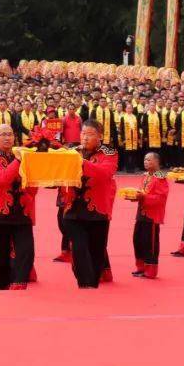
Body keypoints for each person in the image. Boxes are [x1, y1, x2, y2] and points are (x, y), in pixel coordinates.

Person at [60, 120, 117, 289]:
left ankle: (92, 283)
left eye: (90, 134)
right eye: (83, 133)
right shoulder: (73, 152)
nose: (85, 137)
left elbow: (104, 173)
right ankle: (84, 283)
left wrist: (80, 162)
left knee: (97, 249)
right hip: (73, 208)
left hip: (97, 209)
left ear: (100, 136)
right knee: (79, 246)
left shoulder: (109, 153)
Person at [0, 123, 36, 290]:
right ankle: (0, 288)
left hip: (22, 211)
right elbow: (3, 178)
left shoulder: (24, 155)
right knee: (0, 256)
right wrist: (19, 160)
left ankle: (19, 284)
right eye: (3, 134)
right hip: (0, 213)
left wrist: (31, 194)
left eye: (10, 134)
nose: (7, 138)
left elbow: (33, 181)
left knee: (27, 252)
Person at [130, 152, 169, 278]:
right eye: (145, 160)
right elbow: (143, 192)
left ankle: (151, 270)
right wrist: (136, 196)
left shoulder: (160, 178)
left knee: (150, 243)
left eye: (149, 160)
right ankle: (141, 266)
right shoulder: (146, 176)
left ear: (157, 162)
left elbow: (160, 199)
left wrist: (143, 197)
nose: (146, 162)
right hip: (141, 212)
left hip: (152, 215)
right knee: (138, 240)